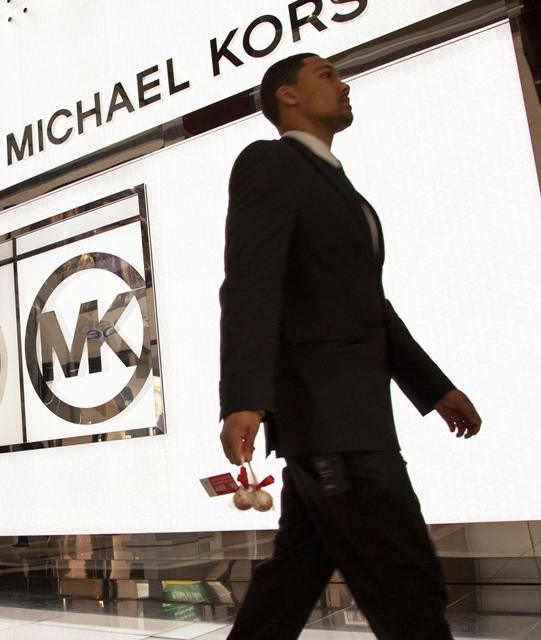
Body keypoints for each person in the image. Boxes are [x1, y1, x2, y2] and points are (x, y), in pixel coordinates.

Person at [218, 53, 482, 640]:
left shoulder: (340, 188)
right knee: (405, 582)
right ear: (287, 95)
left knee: (293, 579)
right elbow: (250, 282)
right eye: (327, 75)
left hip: (347, 416)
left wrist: (434, 388)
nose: (344, 84)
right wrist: (244, 397)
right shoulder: (269, 162)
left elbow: (368, 306)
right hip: (331, 416)